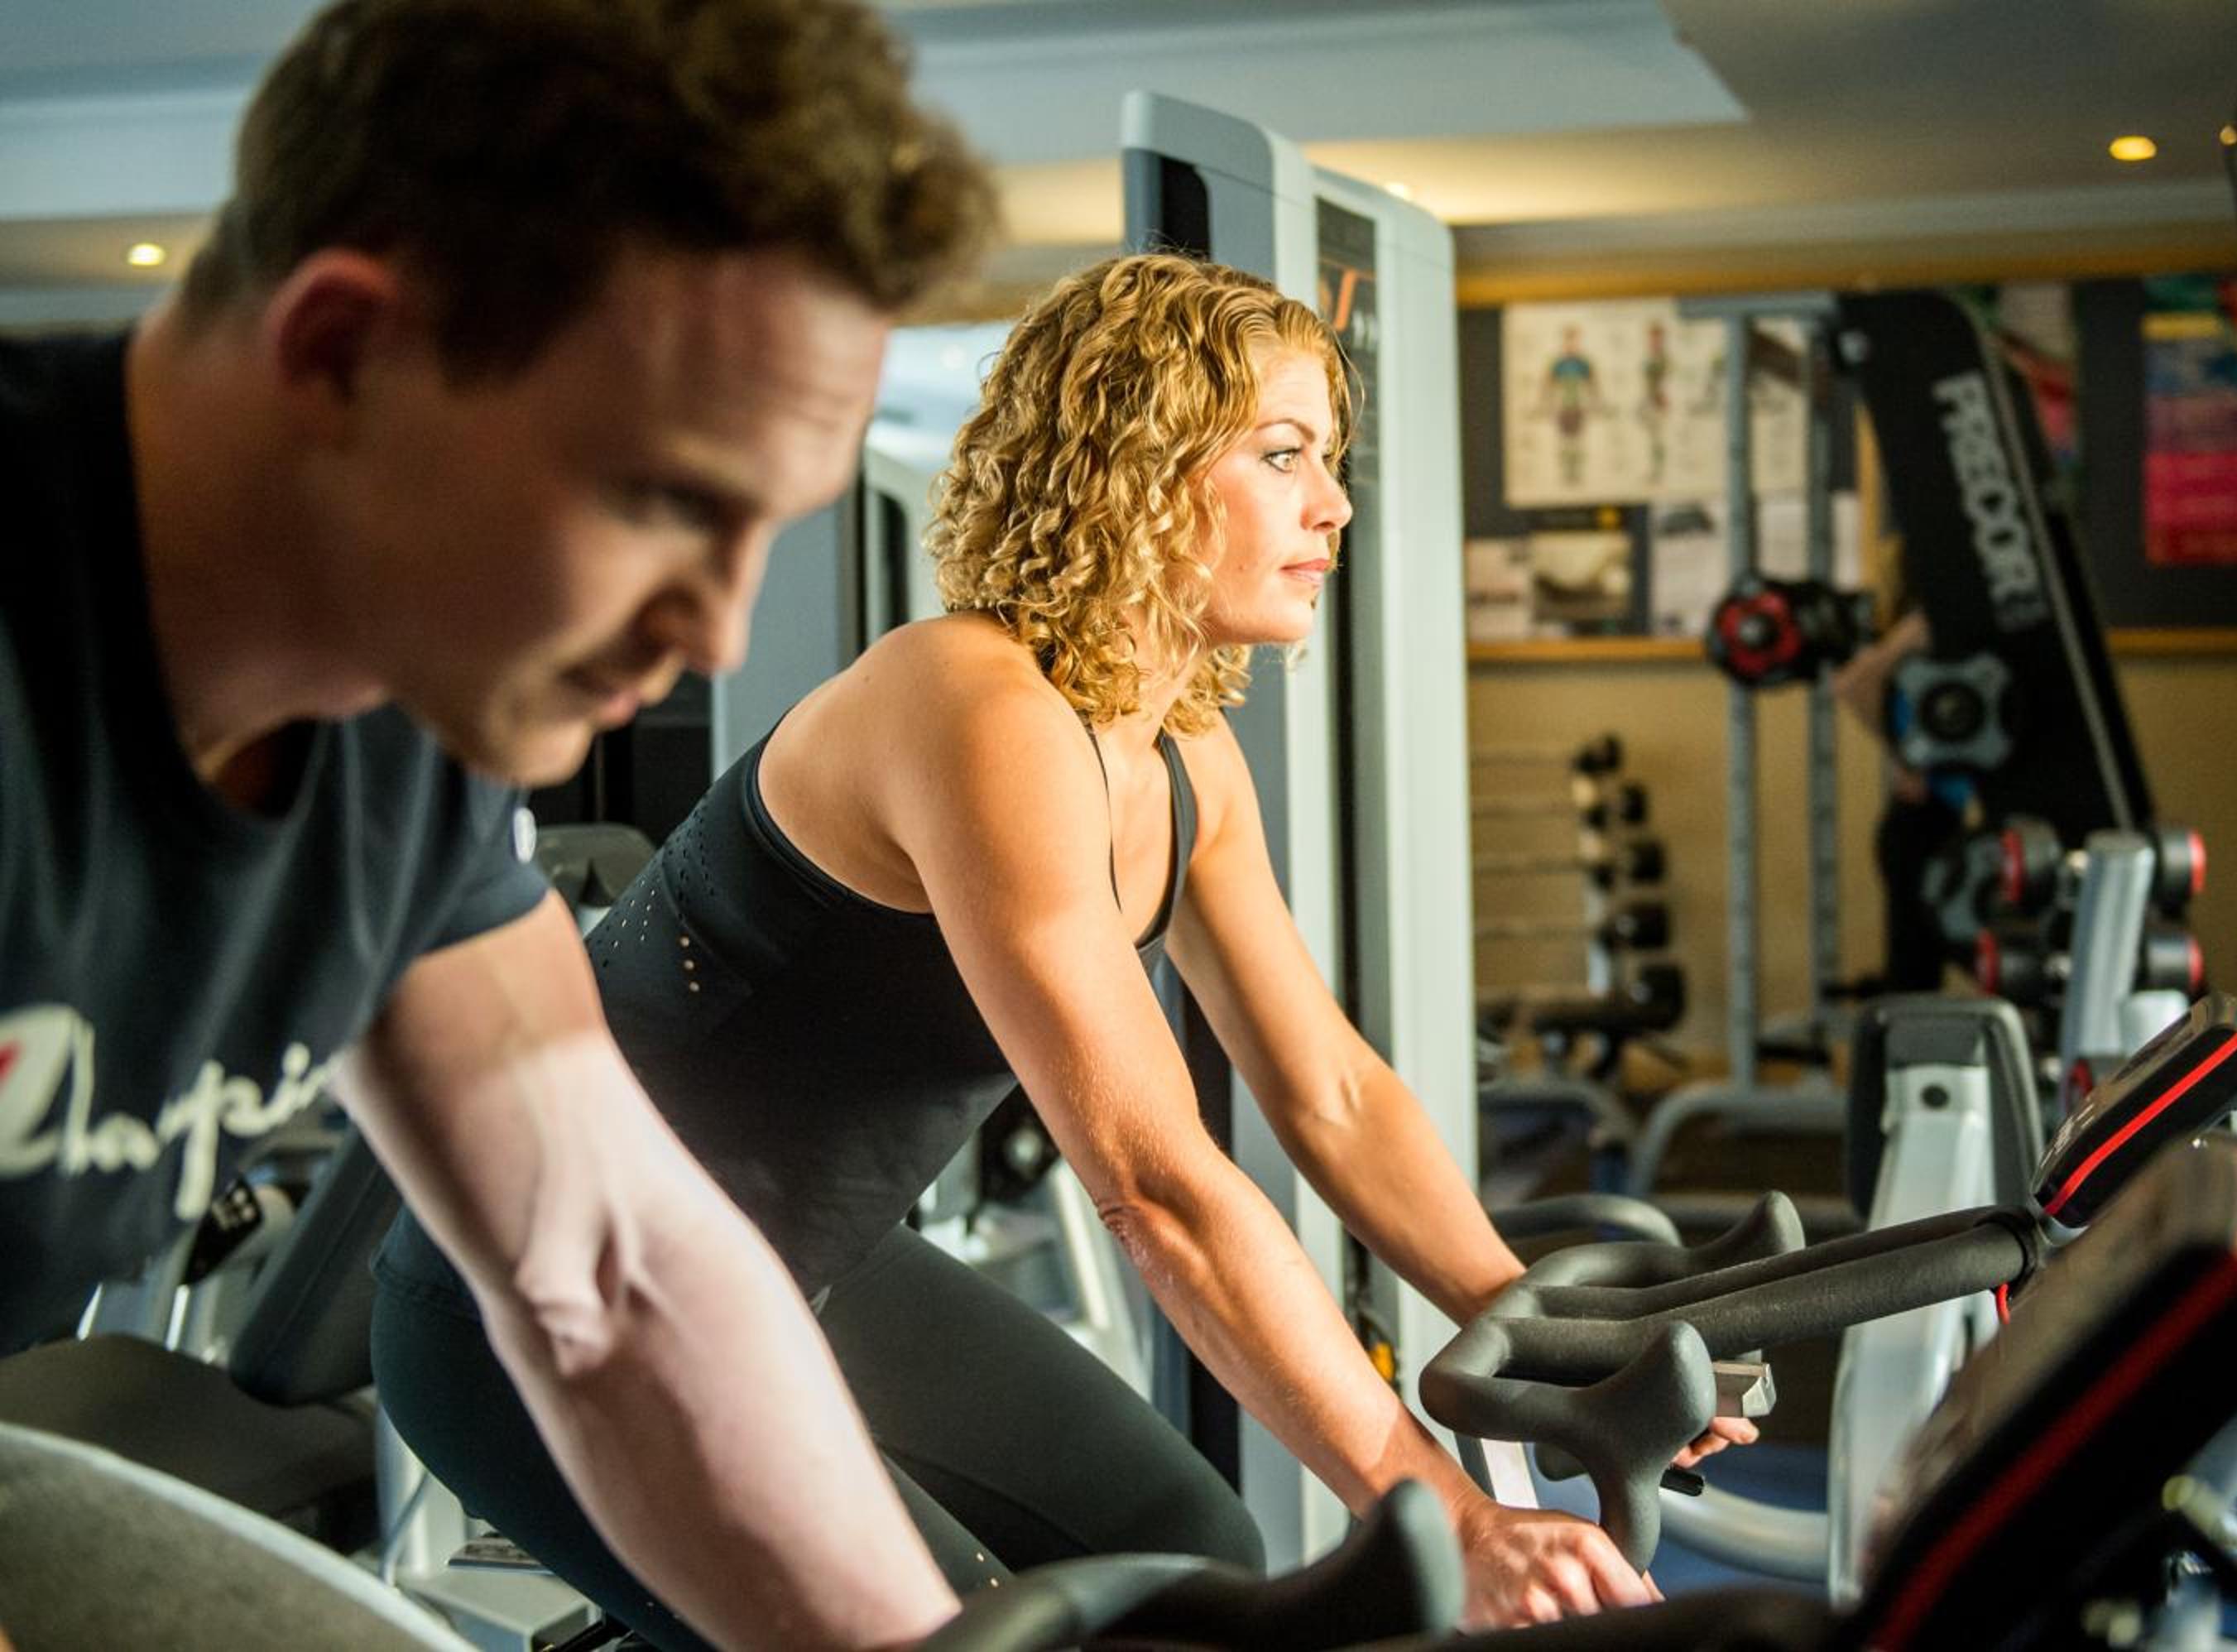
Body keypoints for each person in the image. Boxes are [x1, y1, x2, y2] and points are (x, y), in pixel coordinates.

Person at [372, 252, 1756, 1645]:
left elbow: (1331, 1090)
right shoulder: (969, 704)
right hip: (544, 1300)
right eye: (1283, 456)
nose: (1333, 503)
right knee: (974, 1635)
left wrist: (1546, 1336)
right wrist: (1450, 1518)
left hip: (806, 1273)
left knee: (1185, 1554)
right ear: (1132, 468)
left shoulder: (1186, 760)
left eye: (1328, 461)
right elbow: (1155, 1189)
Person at [0, 1, 994, 1646]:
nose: (720, 633)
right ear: (340, 352)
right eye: (664, 499)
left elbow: (609, 1270)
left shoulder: (400, 709)